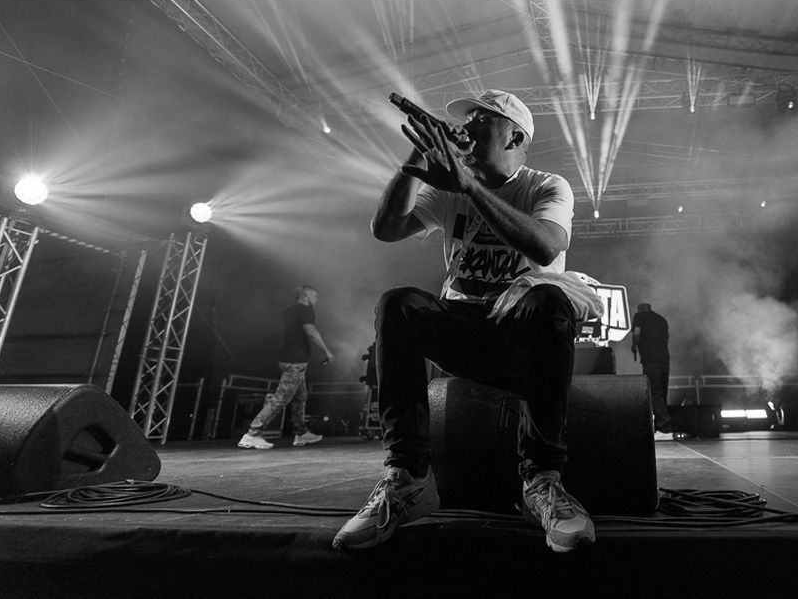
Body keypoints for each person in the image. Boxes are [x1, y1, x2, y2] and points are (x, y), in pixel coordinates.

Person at [333, 89, 598, 554]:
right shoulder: (449, 186)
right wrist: (417, 160)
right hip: (464, 328)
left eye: (481, 120)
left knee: (549, 299)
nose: (467, 127)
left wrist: (471, 188)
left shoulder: (546, 186)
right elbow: (385, 229)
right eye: (467, 119)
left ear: (514, 136)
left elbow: (545, 247)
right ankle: (408, 479)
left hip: (520, 334)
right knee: (398, 304)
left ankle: (541, 481)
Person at [237, 285, 334, 449]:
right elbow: (310, 331)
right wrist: (326, 351)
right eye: (314, 296)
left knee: (300, 396)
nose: (316, 299)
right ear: (305, 296)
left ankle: (301, 433)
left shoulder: (289, 311)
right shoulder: (306, 310)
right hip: (296, 361)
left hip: (287, 357)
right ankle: (252, 433)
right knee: (281, 398)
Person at [631, 302, 672, 433]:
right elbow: (667, 339)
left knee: (654, 392)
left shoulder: (639, 316)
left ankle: (664, 427)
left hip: (651, 360)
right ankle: (660, 426)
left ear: (640, 310)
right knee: (662, 392)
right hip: (664, 359)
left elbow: (637, 333)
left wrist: (634, 345)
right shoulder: (661, 319)